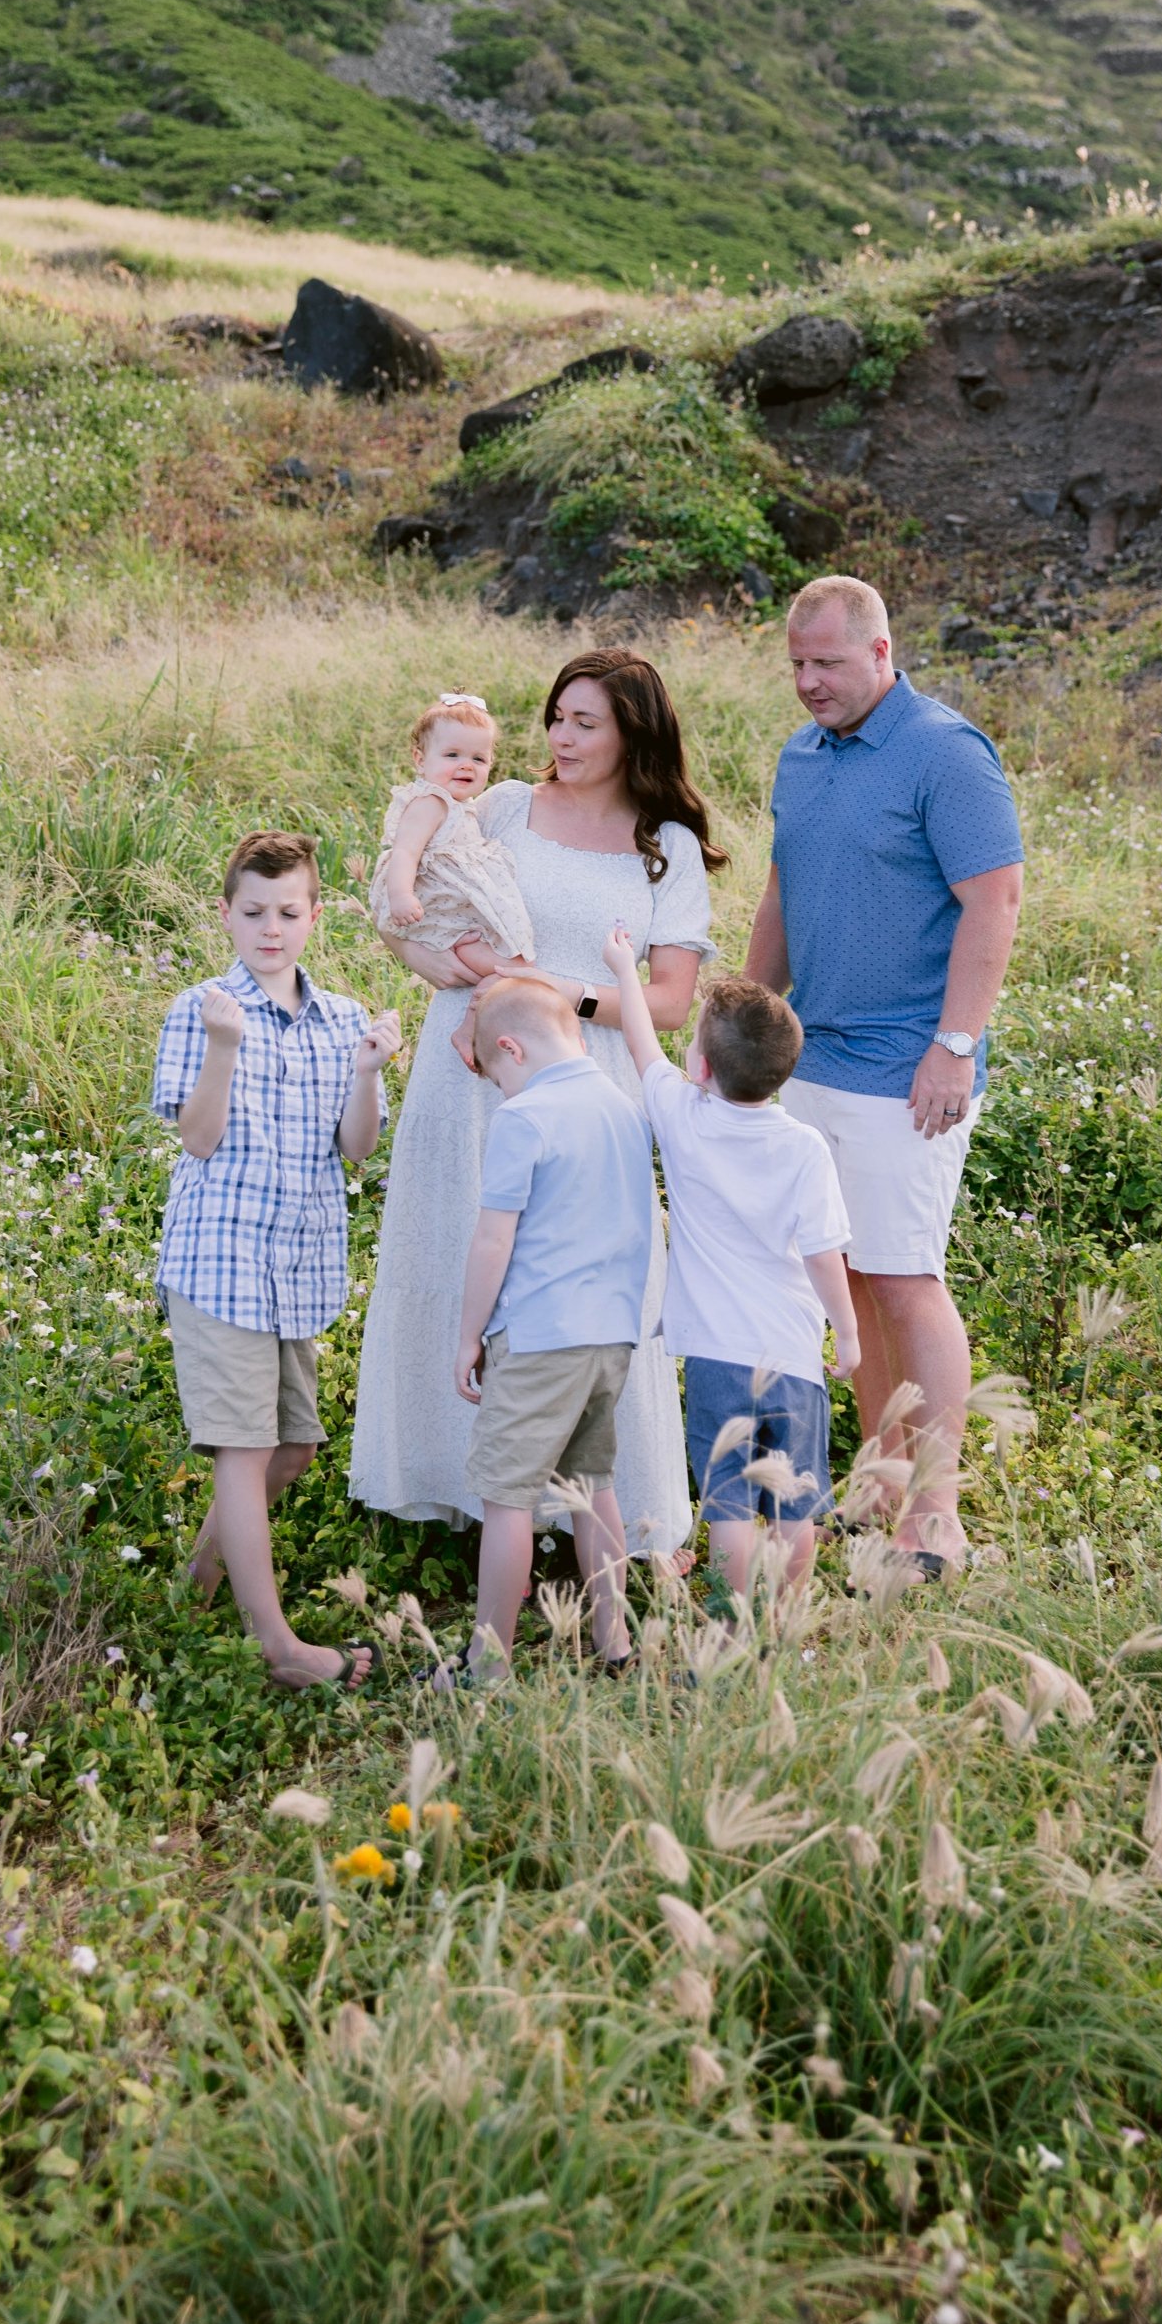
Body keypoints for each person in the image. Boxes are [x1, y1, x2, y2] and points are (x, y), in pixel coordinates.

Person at [351, 651, 720, 1559]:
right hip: (474, 1065)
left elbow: (669, 1001)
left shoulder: (663, 843)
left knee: (588, 1288)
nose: (561, 735)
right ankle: (451, 1480)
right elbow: (419, 899)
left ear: (634, 731)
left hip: (593, 1083)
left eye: (586, 721)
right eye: (557, 715)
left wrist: (553, 989)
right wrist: (433, 962)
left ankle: (595, 1505)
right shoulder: (504, 804)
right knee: (462, 1249)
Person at [745, 577, 1024, 1573]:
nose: (808, 683)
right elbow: (783, 887)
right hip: (810, 1057)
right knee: (850, 1282)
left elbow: (993, 901)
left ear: (879, 651)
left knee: (906, 1280)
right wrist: (743, 1013)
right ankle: (878, 1474)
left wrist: (953, 1046)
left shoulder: (942, 753)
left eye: (825, 663)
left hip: (906, 1066)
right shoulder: (802, 754)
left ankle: (935, 1515)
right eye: (795, 665)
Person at [152, 828, 402, 1689]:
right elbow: (198, 1135)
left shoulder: (338, 1019)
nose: (271, 928)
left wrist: (368, 1070)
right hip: (220, 1260)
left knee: (291, 1449)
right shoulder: (201, 1008)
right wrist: (223, 1049)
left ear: (313, 916)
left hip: (298, 1267)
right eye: (253, 912)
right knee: (244, 1453)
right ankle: (279, 1646)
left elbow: (357, 1146)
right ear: (226, 914)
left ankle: (195, 1587)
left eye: (287, 912)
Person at [603, 926, 860, 1614]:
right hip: (795, 1356)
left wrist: (625, 967)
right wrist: (850, 1332)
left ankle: (727, 1628)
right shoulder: (804, 1146)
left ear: (705, 1069)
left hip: (718, 1355)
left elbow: (637, 1039)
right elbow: (824, 1252)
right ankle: (788, 1617)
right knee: (796, 1503)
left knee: (728, 1508)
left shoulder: (683, 1117)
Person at [445, 973, 652, 1681]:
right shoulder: (625, 1108)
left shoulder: (525, 1117)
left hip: (539, 1338)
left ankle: (487, 1665)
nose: (502, 1089)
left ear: (511, 1047)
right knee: (592, 1487)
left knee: (506, 1500)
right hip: (610, 1338)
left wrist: (468, 1335)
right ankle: (613, 1638)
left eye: (497, 1073)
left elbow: (493, 1240)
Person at [370, 692, 535, 981]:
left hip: (459, 911)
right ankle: (502, 989)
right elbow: (405, 852)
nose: (466, 765)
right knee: (509, 967)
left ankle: (483, 1006)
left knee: (506, 961)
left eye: (478, 758)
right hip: (438, 911)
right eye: (452, 755)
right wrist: (401, 895)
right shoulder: (431, 803)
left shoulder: (462, 805)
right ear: (420, 760)